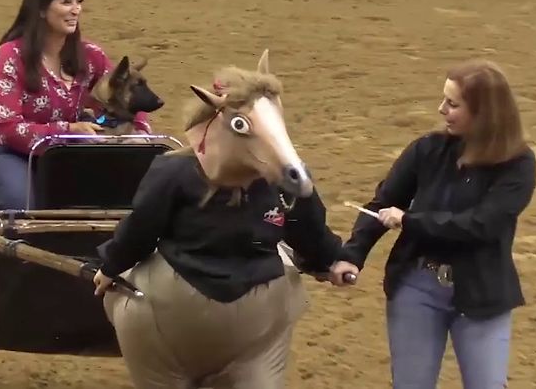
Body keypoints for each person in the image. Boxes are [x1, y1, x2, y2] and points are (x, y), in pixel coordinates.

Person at [91, 54, 345, 389]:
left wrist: (110, 266)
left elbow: (140, 229)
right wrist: (329, 260)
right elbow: (309, 231)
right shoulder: (287, 183)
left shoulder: (173, 171)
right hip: (257, 310)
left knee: (129, 295)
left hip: (175, 309)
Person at [329, 58, 536, 389]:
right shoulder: (427, 149)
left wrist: (411, 221)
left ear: (484, 113)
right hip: (417, 287)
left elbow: (481, 224)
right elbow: (383, 203)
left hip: (482, 294)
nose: (442, 110)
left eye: (453, 104)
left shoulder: (518, 164)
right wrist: (352, 253)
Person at [0, 0, 152, 210]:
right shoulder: (10, 57)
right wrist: (68, 130)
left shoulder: (91, 56)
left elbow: (123, 92)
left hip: (66, 157)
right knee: (22, 204)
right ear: (42, 9)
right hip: (5, 152)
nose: (76, 10)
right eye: (66, 2)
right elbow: (7, 127)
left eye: (79, 2)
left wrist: (138, 133)